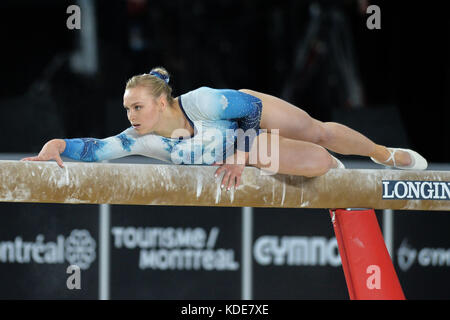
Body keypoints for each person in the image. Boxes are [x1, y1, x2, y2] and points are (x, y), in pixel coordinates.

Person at [22, 66, 427, 191]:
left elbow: (249, 109)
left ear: (162, 102)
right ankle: (272, 158)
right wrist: (57, 143)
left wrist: (240, 154)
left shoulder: (203, 101)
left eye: (137, 107)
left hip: (244, 117)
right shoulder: (140, 138)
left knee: (316, 134)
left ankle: (381, 153)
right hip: (240, 150)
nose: (130, 116)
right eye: (127, 108)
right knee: (320, 164)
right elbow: (94, 149)